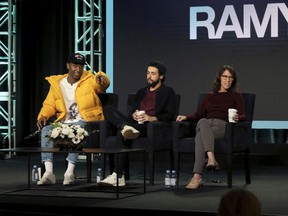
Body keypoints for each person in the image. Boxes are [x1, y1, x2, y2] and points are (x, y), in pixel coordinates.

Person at [98, 60, 177, 187]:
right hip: (134, 123)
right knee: (108, 109)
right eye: (147, 73)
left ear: (161, 76)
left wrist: (151, 118)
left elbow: (170, 115)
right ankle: (124, 126)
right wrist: (134, 114)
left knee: (121, 132)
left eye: (153, 74)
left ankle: (118, 176)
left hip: (149, 126)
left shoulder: (168, 92)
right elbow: (131, 112)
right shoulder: (141, 91)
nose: (149, 76)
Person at [36, 53, 110, 185]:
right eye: (75, 65)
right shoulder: (57, 84)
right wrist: (43, 116)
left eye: (81, 66)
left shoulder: (89, 79)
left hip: (85, 121)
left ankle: (69, 173)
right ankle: (48, 172)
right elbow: (49, 104)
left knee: (77, 130)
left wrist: (102, 79)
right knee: (46, 130)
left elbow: (101, 83)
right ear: (68, 66)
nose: (78, 69)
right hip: (64, 122)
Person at [176, 65, 246, 190]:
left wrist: (237, 118)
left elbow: (243, 115)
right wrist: (186, 117)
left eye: (230, 77)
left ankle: (198, 175)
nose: (227, 80)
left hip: (222, 126)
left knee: (200, 130)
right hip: (206, 125)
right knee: (202, 124)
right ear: (219, 78)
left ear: (233, 80)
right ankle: (208, 163)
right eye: (225, 76)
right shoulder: (209, 96)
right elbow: (198, 114)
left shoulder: (236, 95)